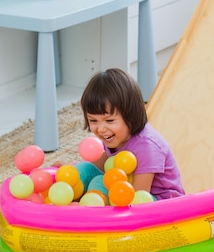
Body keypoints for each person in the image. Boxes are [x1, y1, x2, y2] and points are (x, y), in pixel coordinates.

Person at [76, 68, 185, 201]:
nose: (101, 129)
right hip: (126, 185)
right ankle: (75, 201)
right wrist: (70, 171)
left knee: (100, 182)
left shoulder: (147, 146)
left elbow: (139, 196)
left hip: (160, 202)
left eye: (109, 121)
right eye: (93, 120)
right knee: (84, 168)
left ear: (130, 116)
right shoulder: (114, 135)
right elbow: (107, 162)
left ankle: (94, 212)